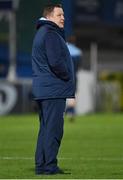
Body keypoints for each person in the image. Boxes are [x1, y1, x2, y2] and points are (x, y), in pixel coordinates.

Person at [31, 3, 75, 175]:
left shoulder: (43, 32)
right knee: (54, 129)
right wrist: (66, 77)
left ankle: (41, 165)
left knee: (45, 129)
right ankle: (49, 166)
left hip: (45, 90)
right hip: (53, 90)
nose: (63, 18)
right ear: (49, 17)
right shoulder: (50, 34)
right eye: (59, 15)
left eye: (63, 15)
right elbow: (56, 62)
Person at [66, 37, 82, 121]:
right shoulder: (78, 52)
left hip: (63, 75)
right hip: (74, 76)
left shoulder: (64, 49)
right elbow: (79, 66)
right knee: (73, 94)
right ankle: (71, 111)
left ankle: (65, 112)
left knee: (63, 94)